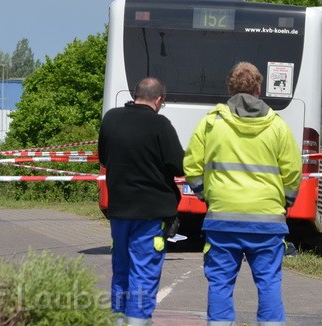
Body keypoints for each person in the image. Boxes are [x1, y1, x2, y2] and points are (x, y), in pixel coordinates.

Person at [183, 61, 302, 326]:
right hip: (268, 219)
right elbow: (293, 170)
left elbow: (191, 166)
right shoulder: (278, 126)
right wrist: (286, 200)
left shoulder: (211, 124)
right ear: (259, 88)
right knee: (269, 282)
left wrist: (206, 195)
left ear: (229, 88)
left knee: (220, 283)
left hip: (222, 218)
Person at [98, 77, 184, 326]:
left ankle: (119, 320)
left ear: (135, 94)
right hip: (151, 214)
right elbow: (178, 166)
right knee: (144, 272)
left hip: (119, 211)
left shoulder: (111, 119)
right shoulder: (160, 125)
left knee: (121, 270)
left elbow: (103, 157)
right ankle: (137, 321)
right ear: (159, 99)